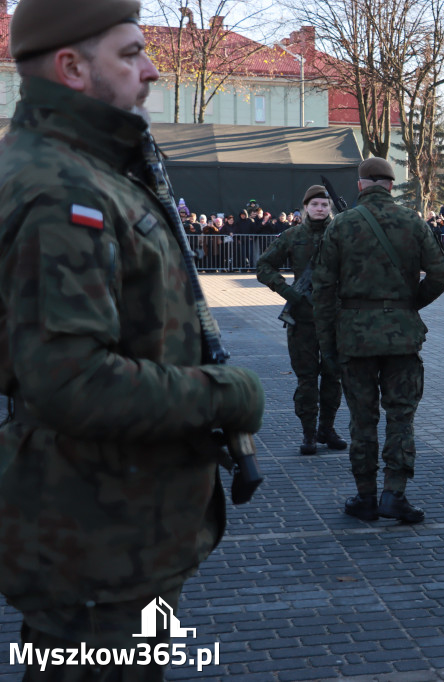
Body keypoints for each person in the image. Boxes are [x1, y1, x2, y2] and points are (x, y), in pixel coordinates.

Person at [0, 0, 265, 677]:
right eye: (130, 53)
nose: (150, 70)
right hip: (96, 547)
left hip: (113, 536)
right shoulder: (63, 190)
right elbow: (72, 379)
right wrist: (220, 394)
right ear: (72, 67)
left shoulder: (87, 170)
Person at [313, 157, 444, 524]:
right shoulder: (413, 222)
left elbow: (323, 291)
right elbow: (440, 275)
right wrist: (407, 306)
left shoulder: (340, 225)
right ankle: (395, 494)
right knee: (401, 417)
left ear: (360, 185)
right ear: (391, 184)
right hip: (402, 339)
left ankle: (365, 497)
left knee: (362, 420)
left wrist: (327, 344)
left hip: (354, 337)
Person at [257, 185, 347, 455]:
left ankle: (326, 429)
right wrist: (286, 291)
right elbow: (264, 266)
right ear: (305, 207)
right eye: (315, 204)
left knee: (334, 378)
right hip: (303, 319)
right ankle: (308, 433)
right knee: (307, 380)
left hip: (335, 318)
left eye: (324, 204)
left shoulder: (342, 235)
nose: (320, 208)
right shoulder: (292, 235)